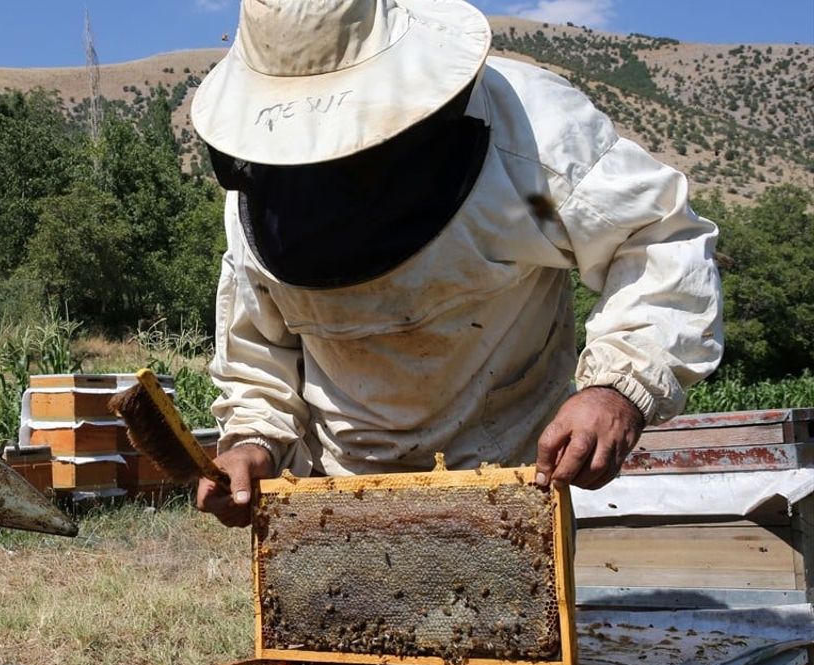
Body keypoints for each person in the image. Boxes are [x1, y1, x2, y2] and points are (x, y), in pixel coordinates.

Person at [190, 0, 724, 527]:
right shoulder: (259, 190)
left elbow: (655, 237)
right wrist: (255, 441)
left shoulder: (531, 142)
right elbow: (260, 346)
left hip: (513, 478)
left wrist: (617, 388)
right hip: (340, 494)